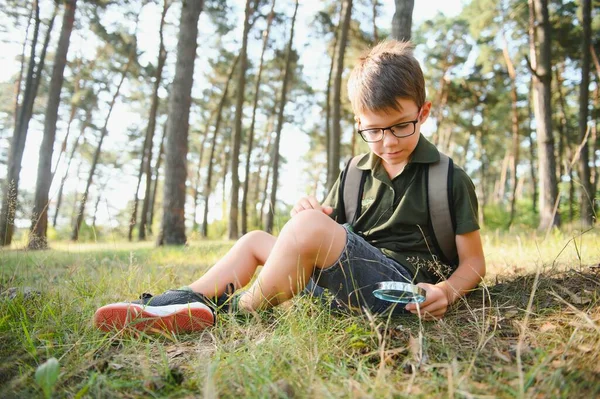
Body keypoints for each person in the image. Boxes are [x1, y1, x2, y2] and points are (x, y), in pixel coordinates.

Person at [94, 40, 485, 333]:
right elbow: (331, 234)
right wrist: (309, 217)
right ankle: (178, 302)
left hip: (397, 293)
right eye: (373, 131)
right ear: (358, 123)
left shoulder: (447, 178)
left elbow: (474, 264)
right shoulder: (355, 172)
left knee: (304, 230)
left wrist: (446, 292)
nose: (388, 141)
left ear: (424, 112)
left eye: (401, 125)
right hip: (339, 288)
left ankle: (229, 313)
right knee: (253, 240)